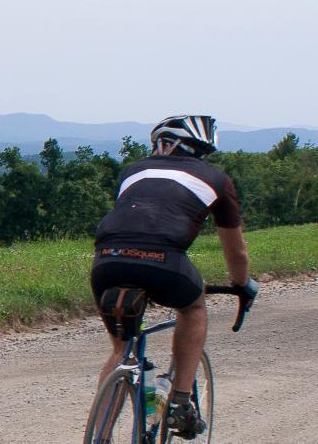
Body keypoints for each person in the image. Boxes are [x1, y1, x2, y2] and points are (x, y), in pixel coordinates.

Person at [91, 115, 259, 440]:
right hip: (164, 262)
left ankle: (101, 434)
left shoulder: (133, 171)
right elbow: (236, 253)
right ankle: (181, 402)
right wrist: (241, 284)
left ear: (161, 144)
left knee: (122, 349)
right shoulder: (217, 179)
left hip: (107, 261)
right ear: (197, 150)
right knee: (193, 309)